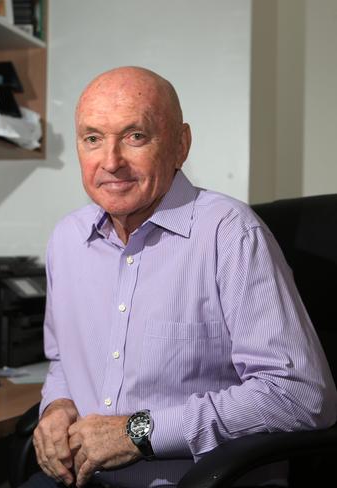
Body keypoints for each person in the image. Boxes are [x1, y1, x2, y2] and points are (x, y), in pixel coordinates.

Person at [24, 67, 337, 488]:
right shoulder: (67, 239)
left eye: (135, 136)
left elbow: (300, 395)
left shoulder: (231, 233)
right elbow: (65, 360)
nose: (111, 162)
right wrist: (57, 406)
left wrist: (138, 433)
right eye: (93, 138)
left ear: (180, 145)